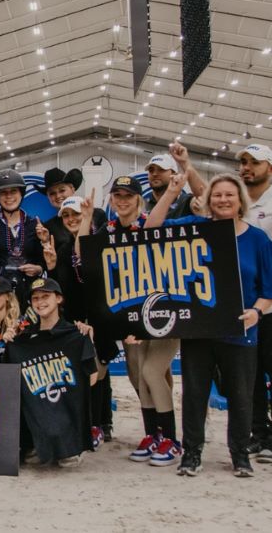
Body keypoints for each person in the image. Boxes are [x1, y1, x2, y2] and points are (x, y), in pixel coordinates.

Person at [146, 173, 272, 477]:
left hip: (241, 331)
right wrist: (172, 192)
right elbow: (150, 229)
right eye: (217, 195)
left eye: (230, 194)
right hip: (199, 329)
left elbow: (269, 291)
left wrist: (256, 312)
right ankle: (191, 454)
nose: (223, 200)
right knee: (194, 394)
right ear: (208, 200)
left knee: (241, 396)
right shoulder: (194, 228)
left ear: (241, 199)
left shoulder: (257, 239)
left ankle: (240, 455)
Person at [82, 175, 179, 465]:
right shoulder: (109, 230)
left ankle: (172, 440)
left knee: (152, 372)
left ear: (138, 198)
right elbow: (83, 256)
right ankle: (153, 435)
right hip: (130, 317)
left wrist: (172, 192)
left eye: (128, 195)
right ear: (111, 200)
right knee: (138, 374)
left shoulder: (152, 222)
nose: (123, 201)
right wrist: (87, 217)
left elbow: (156, 236)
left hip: (161, 312)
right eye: (117, 195)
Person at [44, 195, 116, 444]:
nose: (71, 219)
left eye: (76, 214)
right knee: (86, 374)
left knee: (99, 373)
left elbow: (86, 256)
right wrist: (52, 267)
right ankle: (95, 423)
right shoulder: (63, 249)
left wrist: (86, 220)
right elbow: (63, 290)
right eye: (66, 215)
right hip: (76, 323)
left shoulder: (100, 242)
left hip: (100, 321)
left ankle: (99, 424)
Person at [7, 277, 98, 468]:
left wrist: (89, 343)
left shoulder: (76, 333)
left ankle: (71, 447)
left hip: (68, 422)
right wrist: (9, 342)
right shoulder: (25, 339)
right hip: (40, 424)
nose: (40, 302)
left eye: (45, 296)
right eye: (36, 299)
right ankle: (39, 444)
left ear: (59, 299)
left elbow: (91, 379)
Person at [236, 143, 272, 460]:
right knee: (253, 373)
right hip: (248, 305)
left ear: (269, 168)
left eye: (254, 162)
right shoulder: (238, 204)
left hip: (270, 303)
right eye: (243, 162)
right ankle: (260, 434)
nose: (246, 167)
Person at [0, 170, 46, 304]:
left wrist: (39, 269)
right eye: (3, 192)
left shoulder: (34, 224)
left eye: (13, 191)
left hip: (28, 292)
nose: (9, 196)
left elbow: (43, 260)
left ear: (21, 193)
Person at [39, 167, 106, 246]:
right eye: (52, 193)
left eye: (62, 190)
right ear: (48, 197)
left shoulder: (97, 215)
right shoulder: (48, 228)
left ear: (72, 189)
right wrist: (45, 242)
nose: (58, 196)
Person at [143, 145, 206, 218]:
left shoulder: (185, 201)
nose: (155, 174)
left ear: (174, 174)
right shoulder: (142, 204)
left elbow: (206, 199)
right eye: (151, 170)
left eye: (161, 169)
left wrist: (185, 163)